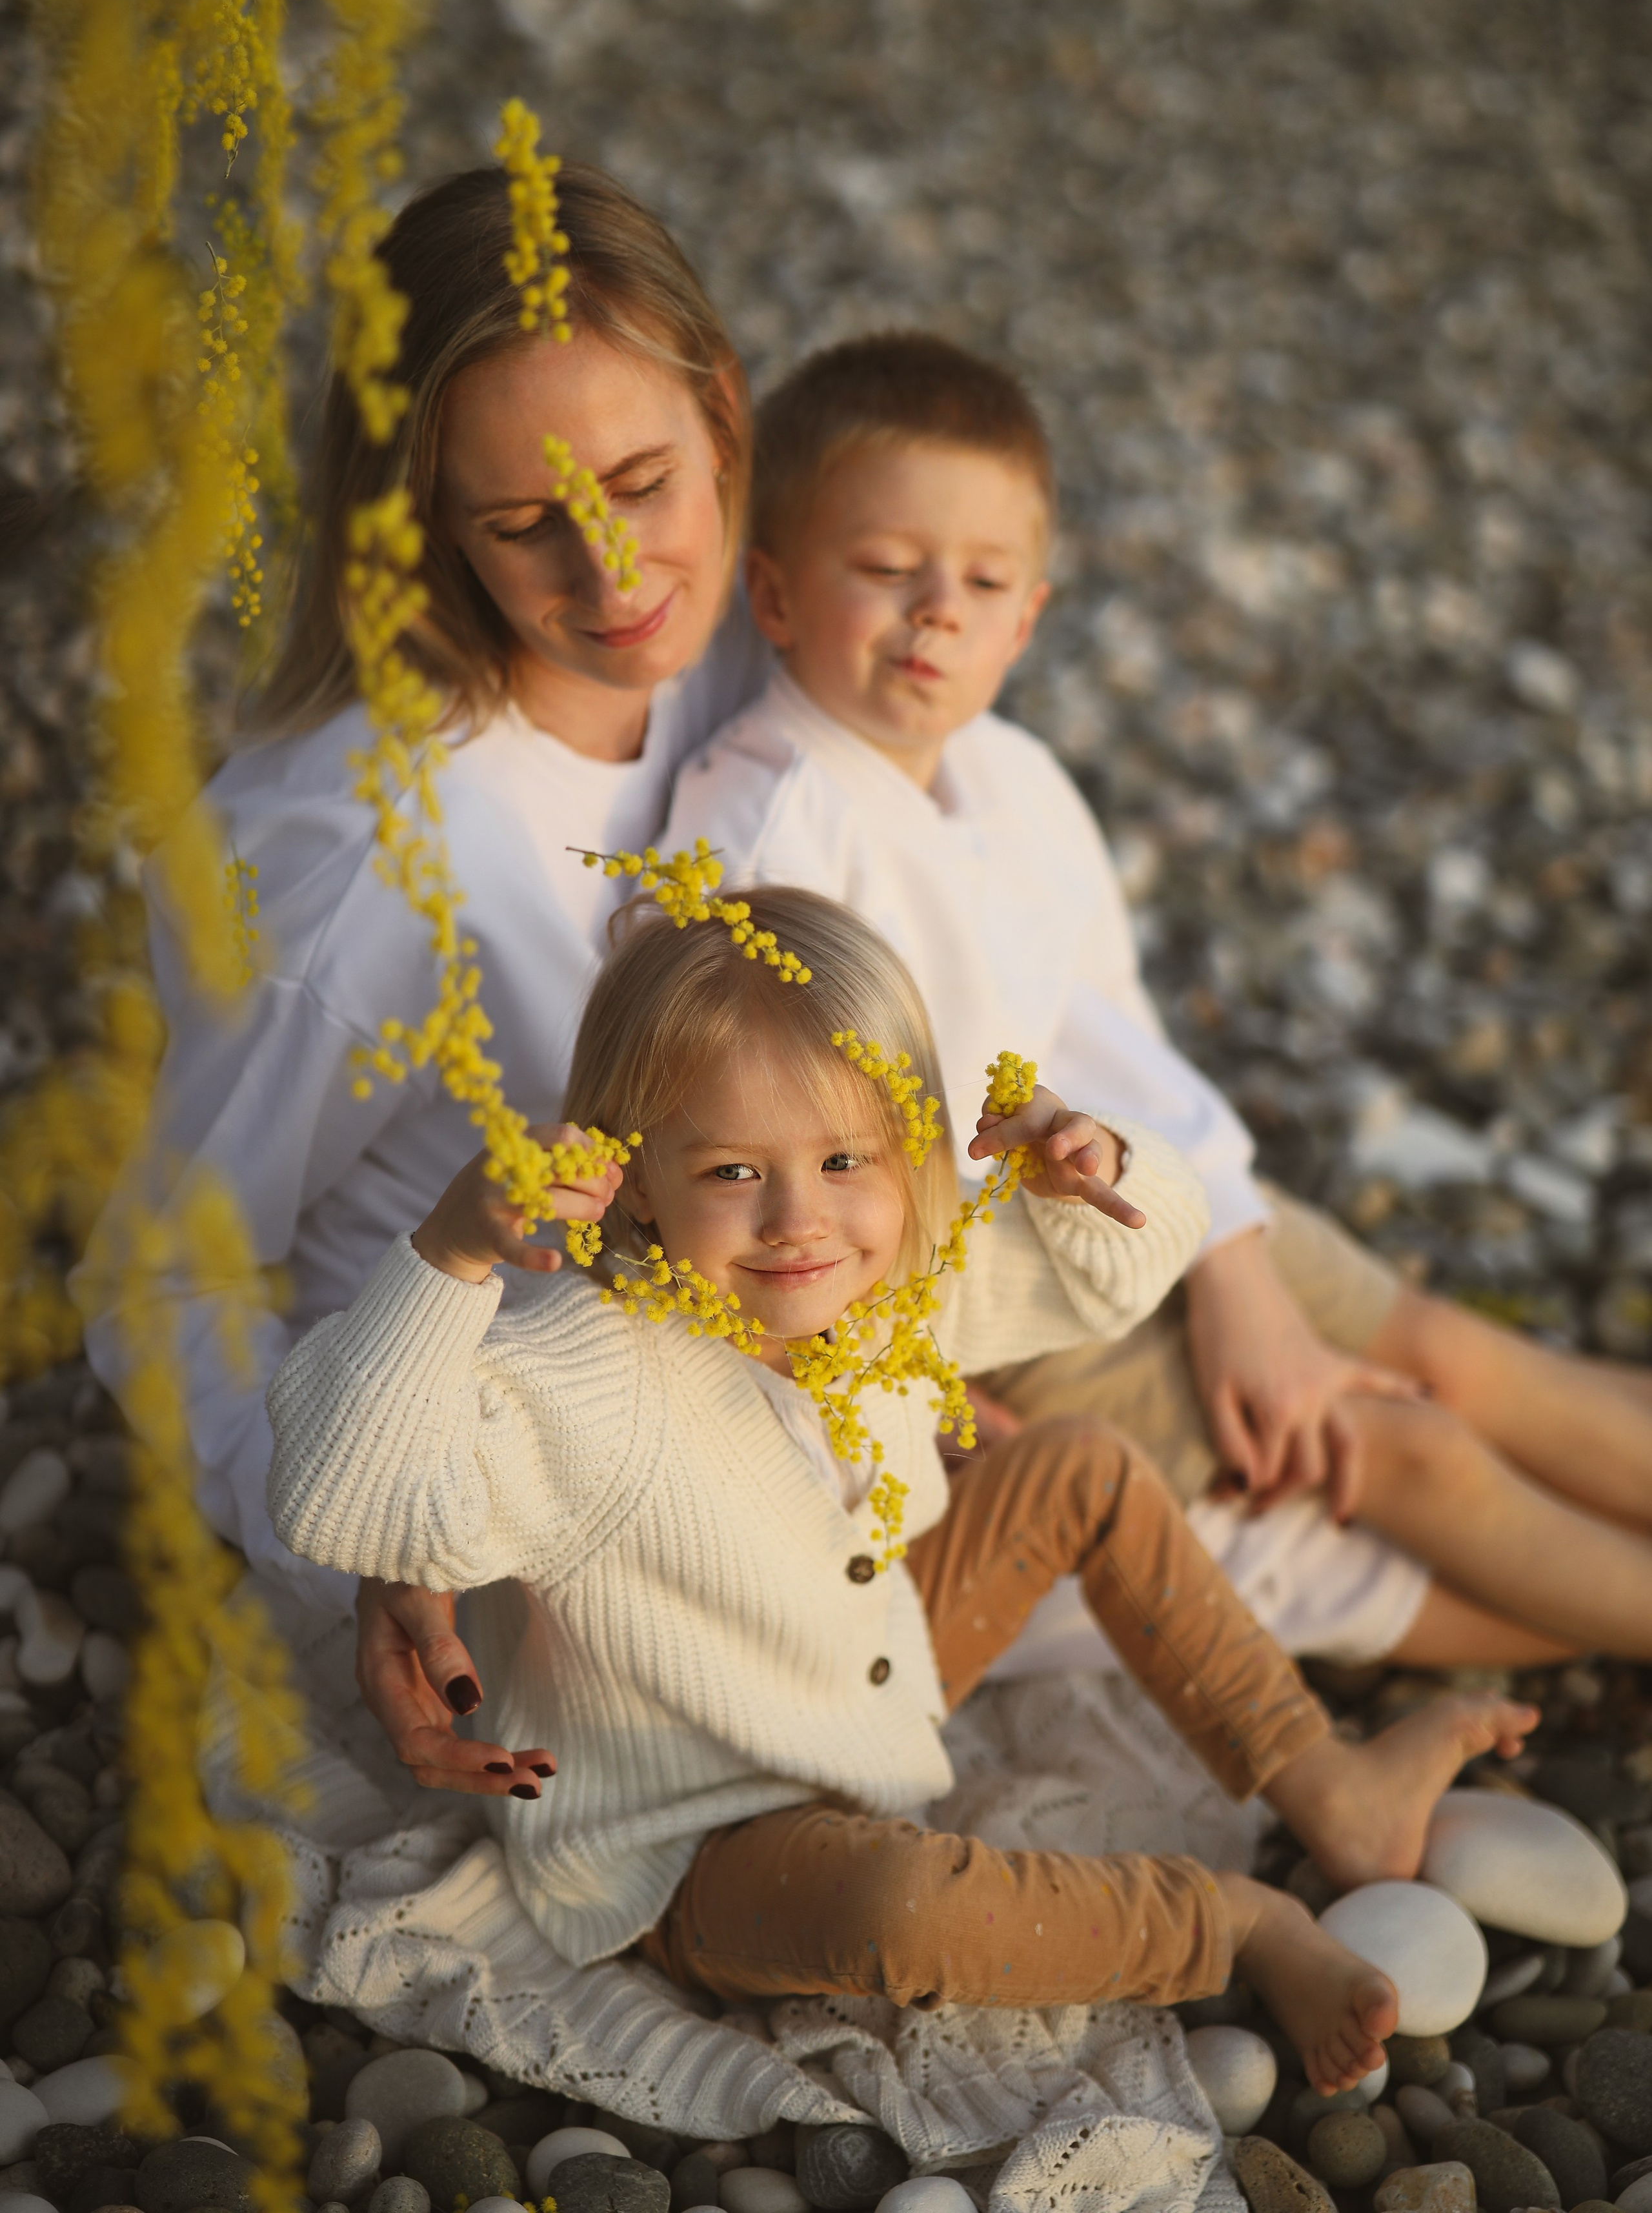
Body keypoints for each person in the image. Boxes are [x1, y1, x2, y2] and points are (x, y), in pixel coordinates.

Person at [264, 885, 1536, 2089]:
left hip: (865, 1676)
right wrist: (447, 1256)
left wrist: (1089, 1162)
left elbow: (1115, 1275)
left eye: (841, 1162)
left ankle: (1327, 1785)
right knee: (899, 1909)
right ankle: (1233, 1922)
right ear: (628, 1179)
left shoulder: (889, 1288)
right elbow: (339, 1496)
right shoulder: (584, 1376)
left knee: (1081, 1465)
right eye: (727, 1173)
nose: (794, 1224)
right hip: (691, 1834)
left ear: (906, 1149)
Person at [656, 330, 1652, 1668]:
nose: (937, 608)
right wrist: (898, 1391)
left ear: (1030, 615)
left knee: (1456, 1357)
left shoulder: (1012, 780)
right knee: (1384, 1446)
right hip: (983, 1305)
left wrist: (1228, 1256)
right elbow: (756, 1161)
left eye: (983, 579)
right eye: (886, 571)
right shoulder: (763, 829)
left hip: (1142, 1193)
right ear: (770, 596)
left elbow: (1101, 1029)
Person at [76, 161, 769, 1797]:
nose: (612, 578)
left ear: (724, 415)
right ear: (422, 529)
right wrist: (361, 1556)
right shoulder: (376, 871)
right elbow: (164, 1285)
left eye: (643, 480)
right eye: (525, 527)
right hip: (517, 1513)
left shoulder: (728, 649)